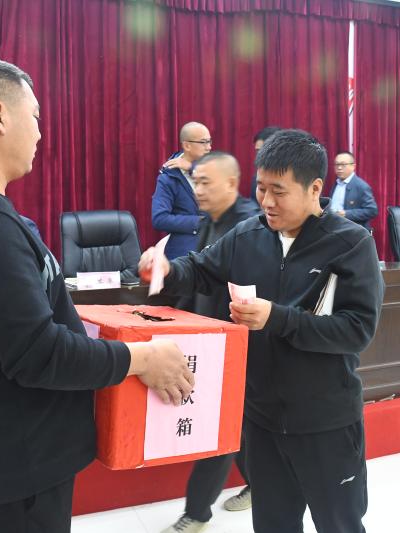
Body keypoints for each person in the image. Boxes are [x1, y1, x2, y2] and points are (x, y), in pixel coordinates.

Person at [0, 58, 194, 533]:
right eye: (36, 116)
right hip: (14, 470)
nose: (41, 133)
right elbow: (38, 356)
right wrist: (143, 358)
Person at [141, 129, 385, 533]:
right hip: (263, 421)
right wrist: (167, 270)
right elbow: (201, 269)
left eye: (279, 191)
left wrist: (277, 318)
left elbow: (357, 330)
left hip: (325, 421)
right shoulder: (249, 234)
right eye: (261, 188)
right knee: (273, 524)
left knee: (339, 524)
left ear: (315, 189)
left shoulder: (351, 244)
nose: (267, 201)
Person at [162, 152, 259, 533]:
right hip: (209, 341)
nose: (198, 190)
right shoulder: (209, 221)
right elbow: (197, 276)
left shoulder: (250, 226)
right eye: (195, 182)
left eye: (205, 182)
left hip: (237, 345)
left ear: (232, 184)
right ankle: (258, 483)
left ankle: (197, 512)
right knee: (237, 425)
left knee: (219, 427)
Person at [151, 121, 211, 259]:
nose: (209, 147)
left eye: (209, 141)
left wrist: (192, 168)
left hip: (216, 243)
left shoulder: (213, 167)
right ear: (187, 145)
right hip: (186, 249)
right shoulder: (168, 177)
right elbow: (159, 219)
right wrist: (199, 222)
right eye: (203, 142)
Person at [329, 151, 378, 231]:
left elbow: (372, 211)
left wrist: (346, 214)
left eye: (343, 164)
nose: (339, 168)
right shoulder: (336, 184)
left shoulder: (361, 186)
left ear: (353, 166)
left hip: (352, 231)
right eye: (337, 164)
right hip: (334, 228)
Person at [249, 126, 281, 202]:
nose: (258, 156)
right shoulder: (257, 177)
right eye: (257, 151)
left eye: (263, 151)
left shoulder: (293, 176)